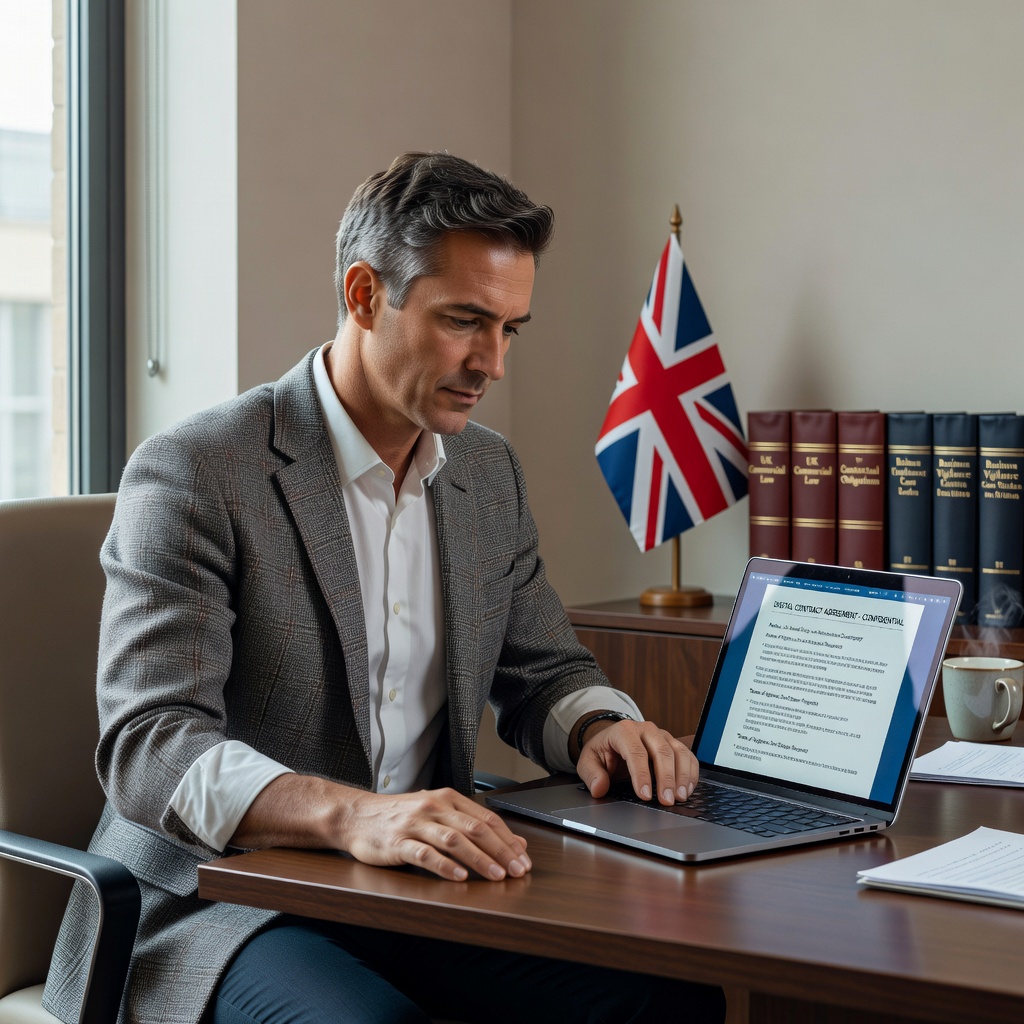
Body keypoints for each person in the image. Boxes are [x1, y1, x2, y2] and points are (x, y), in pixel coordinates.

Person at [44, 152, 726, 1024]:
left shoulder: (487, 473)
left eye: (511, 328)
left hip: (420, 890)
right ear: (365, 295)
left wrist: (600, 725)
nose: (492, 364)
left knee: (670, 999)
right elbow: (150, 744)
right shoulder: (199, 472)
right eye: (464, 321)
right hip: (218, 904)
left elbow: (545, 671)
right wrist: (354, 816)